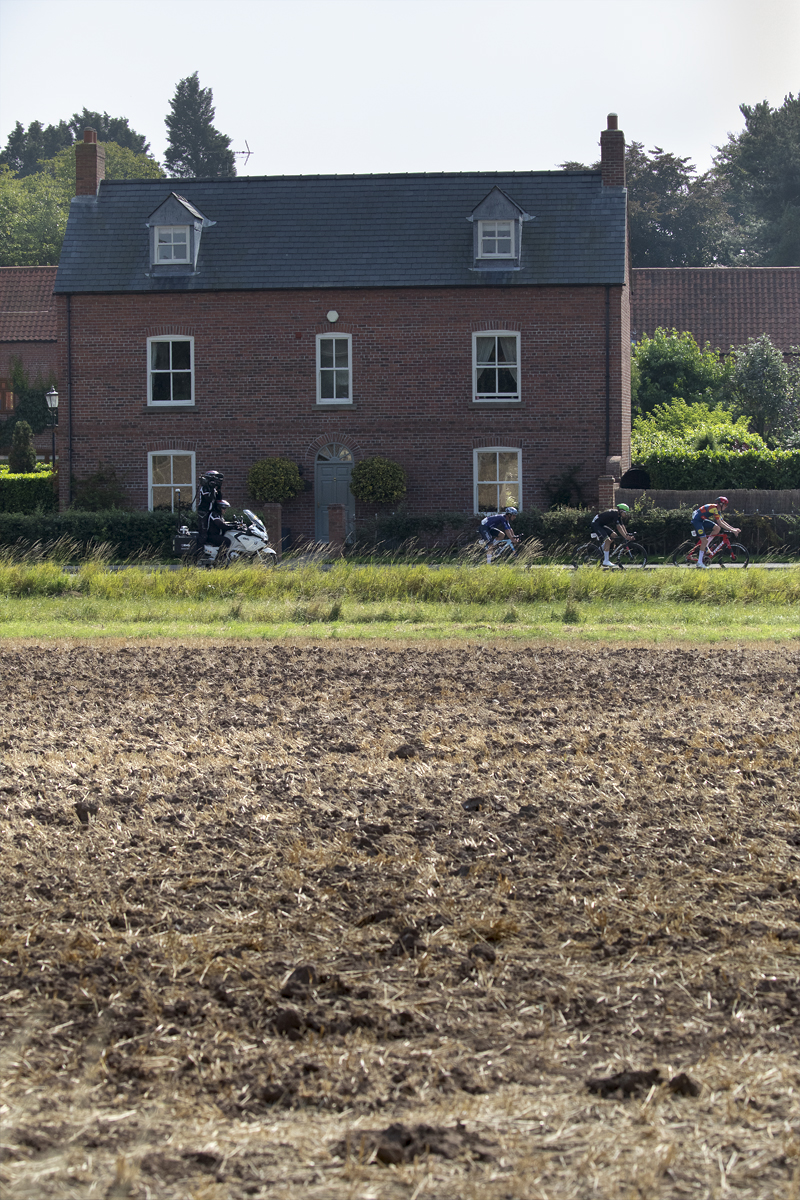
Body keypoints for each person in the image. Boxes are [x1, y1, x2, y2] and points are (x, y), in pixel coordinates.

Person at [690, 496, 740, 567]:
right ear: (721, 504)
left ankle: (706, 545)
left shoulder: (717, 509)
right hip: (697, 520)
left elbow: (722, 521)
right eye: (725, 505)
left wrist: (733, 529)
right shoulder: (714, 509)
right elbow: (720, 522)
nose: (726, 507)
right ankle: (699, 563)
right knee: (704, 541)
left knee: (717, 528)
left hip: (701, 520)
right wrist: (733, 530)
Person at [195, 470, 225, 548]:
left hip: (210, 512)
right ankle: (199, 553)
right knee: (203, 533)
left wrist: (218, 488)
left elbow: (219, 499)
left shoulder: (213, 489)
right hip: (203, 512)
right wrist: (212, 488)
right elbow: (209, 499)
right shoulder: (205, 488)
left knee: (211, 531)